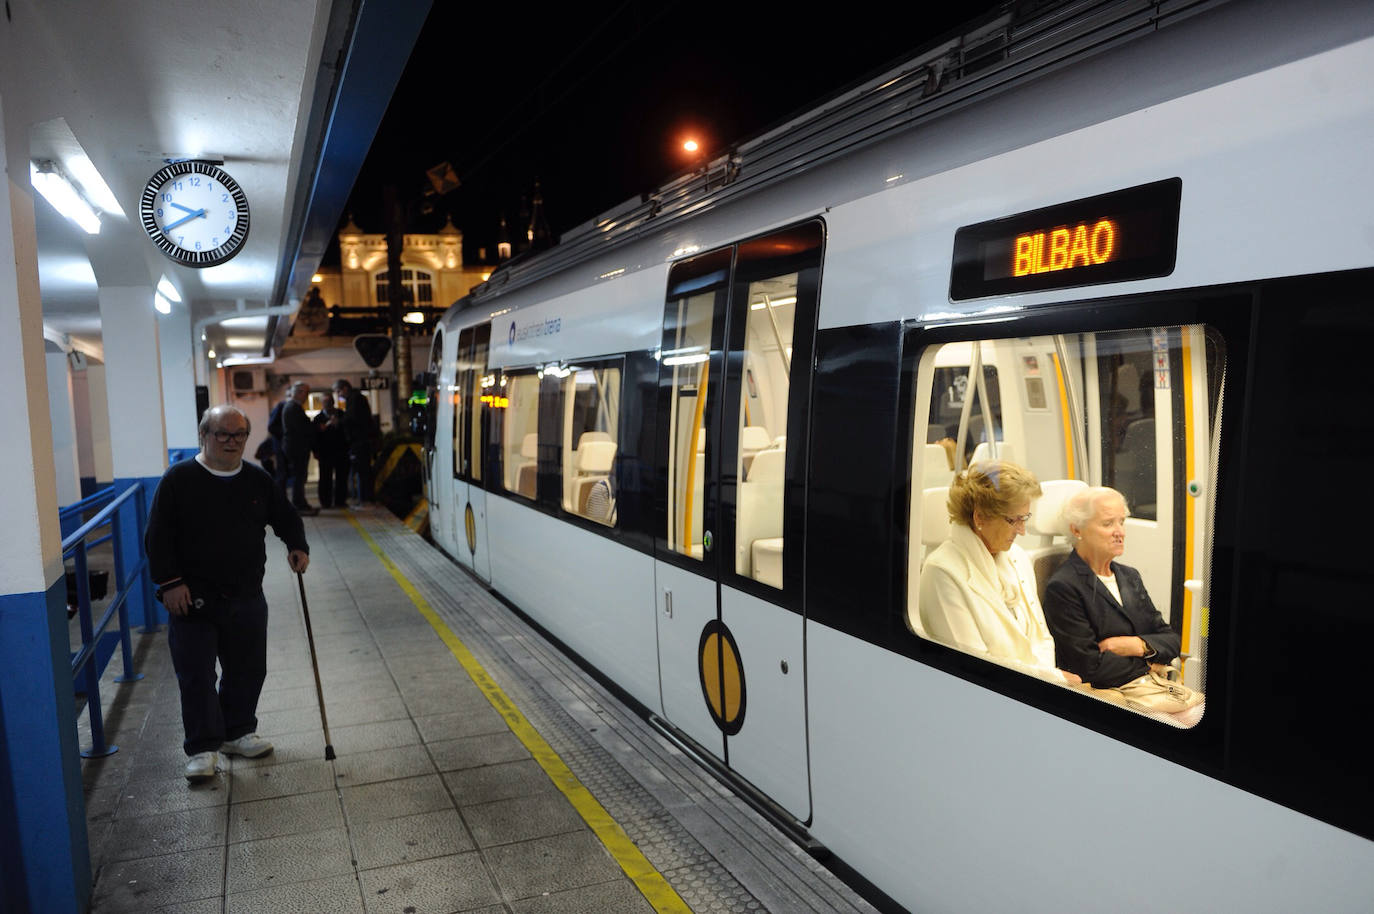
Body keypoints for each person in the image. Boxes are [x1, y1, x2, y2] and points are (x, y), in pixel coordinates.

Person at [144, 404, 310, 782]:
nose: (232, 442)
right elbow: (158, 537)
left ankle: (237, 733)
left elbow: (285, 515)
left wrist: (297, 545)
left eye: (239, 435)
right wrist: (169, 583)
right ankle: (203, 748)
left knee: (248, 669)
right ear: (204, 435)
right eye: (223, 434)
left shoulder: (256, 479)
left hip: (246, 593)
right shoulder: (179, 480)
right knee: (197, 674)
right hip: (192, 600)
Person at [918, 460, 1081, 685]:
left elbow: (1041, 636)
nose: (1022, 531)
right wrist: (1049, 678)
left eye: (1025, 518)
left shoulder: (1018, 557)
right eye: (1013, 520)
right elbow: (972, 666)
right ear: (980, 517)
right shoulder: (942, 572)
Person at [1041, 486, 1181, 689]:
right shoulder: (1064, 587)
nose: (1120, 532)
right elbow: (1089, 667)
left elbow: (1171, 639)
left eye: (1121, 522)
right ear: (1076, 530)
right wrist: (1151, 663)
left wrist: (1137, 646)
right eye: (1108, 524)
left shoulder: (1129, 576)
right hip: (1109, 695)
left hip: (1148, 687)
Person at [333, 378, 374, 505]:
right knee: (362, 471)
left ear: (345, 388)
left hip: (359, 441)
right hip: (361, 440)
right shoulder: (357, 398)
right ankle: (363, 498)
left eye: (338, 391)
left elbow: (352, 418)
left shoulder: (354, 399)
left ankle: (364, 500)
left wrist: (338, 422)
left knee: (362, 472)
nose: (339, 395)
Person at [282, 381, 318, 515]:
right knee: (299, 477)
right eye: (306, 393)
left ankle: (300, 503)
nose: (307, 396)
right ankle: (299, 504)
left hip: (295, 447)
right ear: (299, 393)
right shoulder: (293, 407)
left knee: (300, 477)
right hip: (297, 448)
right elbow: (301, 429)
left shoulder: (292, 407)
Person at [312, 392, 349, 508]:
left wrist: (338, 425)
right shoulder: (318, 419)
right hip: (325, 453)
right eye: (325, 402)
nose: (327, 404)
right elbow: (314, 437)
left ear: (333, 402)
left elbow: (347, 431)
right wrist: (315, 451)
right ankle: (325, 502)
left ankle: (340, 501)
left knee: (341, 477)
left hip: (341, 451)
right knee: (325, 478)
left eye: (329, 402)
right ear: (322, 404)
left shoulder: (341, 414)